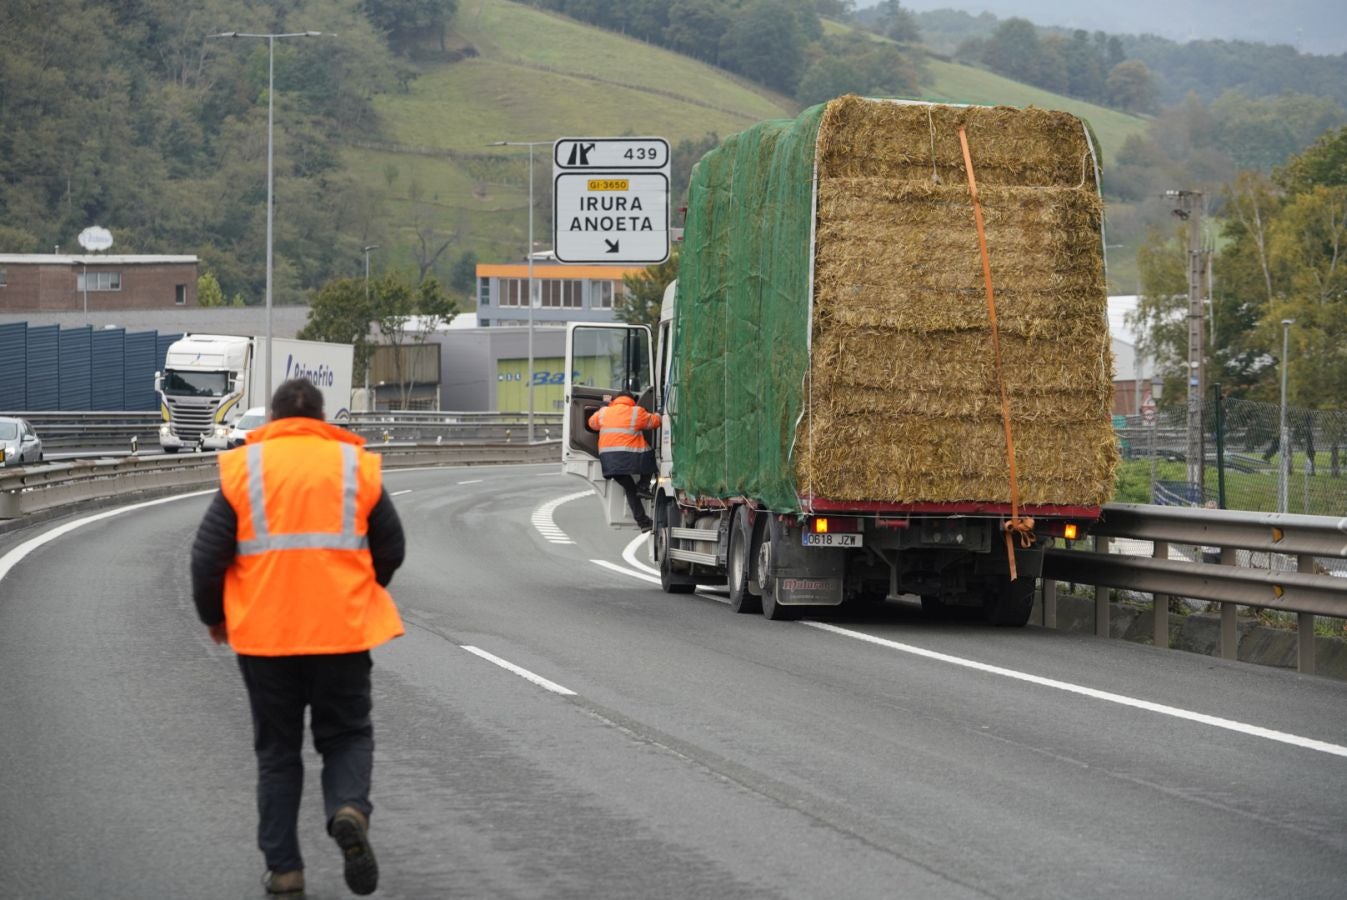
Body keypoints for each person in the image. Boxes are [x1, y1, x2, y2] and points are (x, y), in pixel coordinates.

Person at [191, 378, 406, 897]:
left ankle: (285, 870)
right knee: (347, 735)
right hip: (341, 632)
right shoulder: (353, 466)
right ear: (322, 420)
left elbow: (206, 557)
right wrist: (359, 589)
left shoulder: (245, 469)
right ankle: (348, 810)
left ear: (273, 420)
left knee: (278, 753)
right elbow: (392, 546)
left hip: (265, 638)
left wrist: (215, 617)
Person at [588, 391, 661, 531]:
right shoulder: (636, 411)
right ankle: (643, 486)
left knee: (629, 488)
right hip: (630, 457)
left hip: (609, 461)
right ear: (632, 400)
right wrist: (660, 413)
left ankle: (644, 522)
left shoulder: (604, 412)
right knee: (650, 455)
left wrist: (604, 406)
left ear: (616, 400)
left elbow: (591, 423)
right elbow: (654, 422)